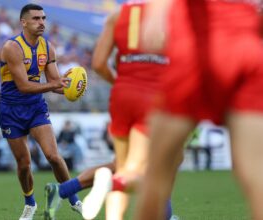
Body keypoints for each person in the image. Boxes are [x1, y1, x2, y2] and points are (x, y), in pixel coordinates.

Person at [136, 0, 263, 219]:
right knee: (256, 171)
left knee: (157, 173)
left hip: (194, 49)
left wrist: (155, 14)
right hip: (247, 47)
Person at [81, 1, 180, 219]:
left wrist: (118, 82)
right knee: (146, 170)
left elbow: (98, 63)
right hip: (154, 97)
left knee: (125, 164)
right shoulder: (173, 15)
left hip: (122, 94)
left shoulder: (117, 16)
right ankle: (111, 180)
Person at [0, 4, 81, 220]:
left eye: (43, 18)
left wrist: (73, 88)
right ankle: (30, 203)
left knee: (53, 156)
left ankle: (74, 200)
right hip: (11, 110)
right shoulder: (12, 47)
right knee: (24, 164)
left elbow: (56, 83)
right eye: (36, 18)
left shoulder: (48, 47)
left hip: (35, 107)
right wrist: (54, 85)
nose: (42, 22)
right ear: (23, 22)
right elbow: (24, 86)